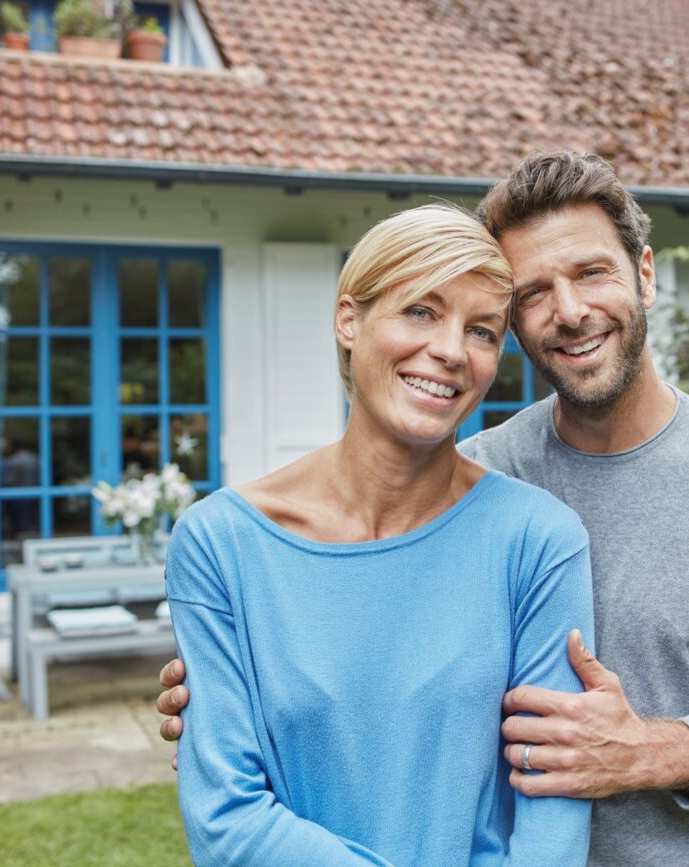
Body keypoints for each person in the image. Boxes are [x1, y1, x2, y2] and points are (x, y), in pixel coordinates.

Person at [158, 153, 689, 866]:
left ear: (644, 274)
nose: (570, 309)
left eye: (592, 272)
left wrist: (653, 750)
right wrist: (238, 689)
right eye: (533, 293)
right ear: (517, 326)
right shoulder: (476, 477)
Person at [164, 204, 594, 866]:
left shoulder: (538, 541)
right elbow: (226, 819)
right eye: (421, 310)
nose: (451, 351)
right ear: (349, 319)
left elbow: (553, 813)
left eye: (481, 330)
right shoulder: (220, 545)